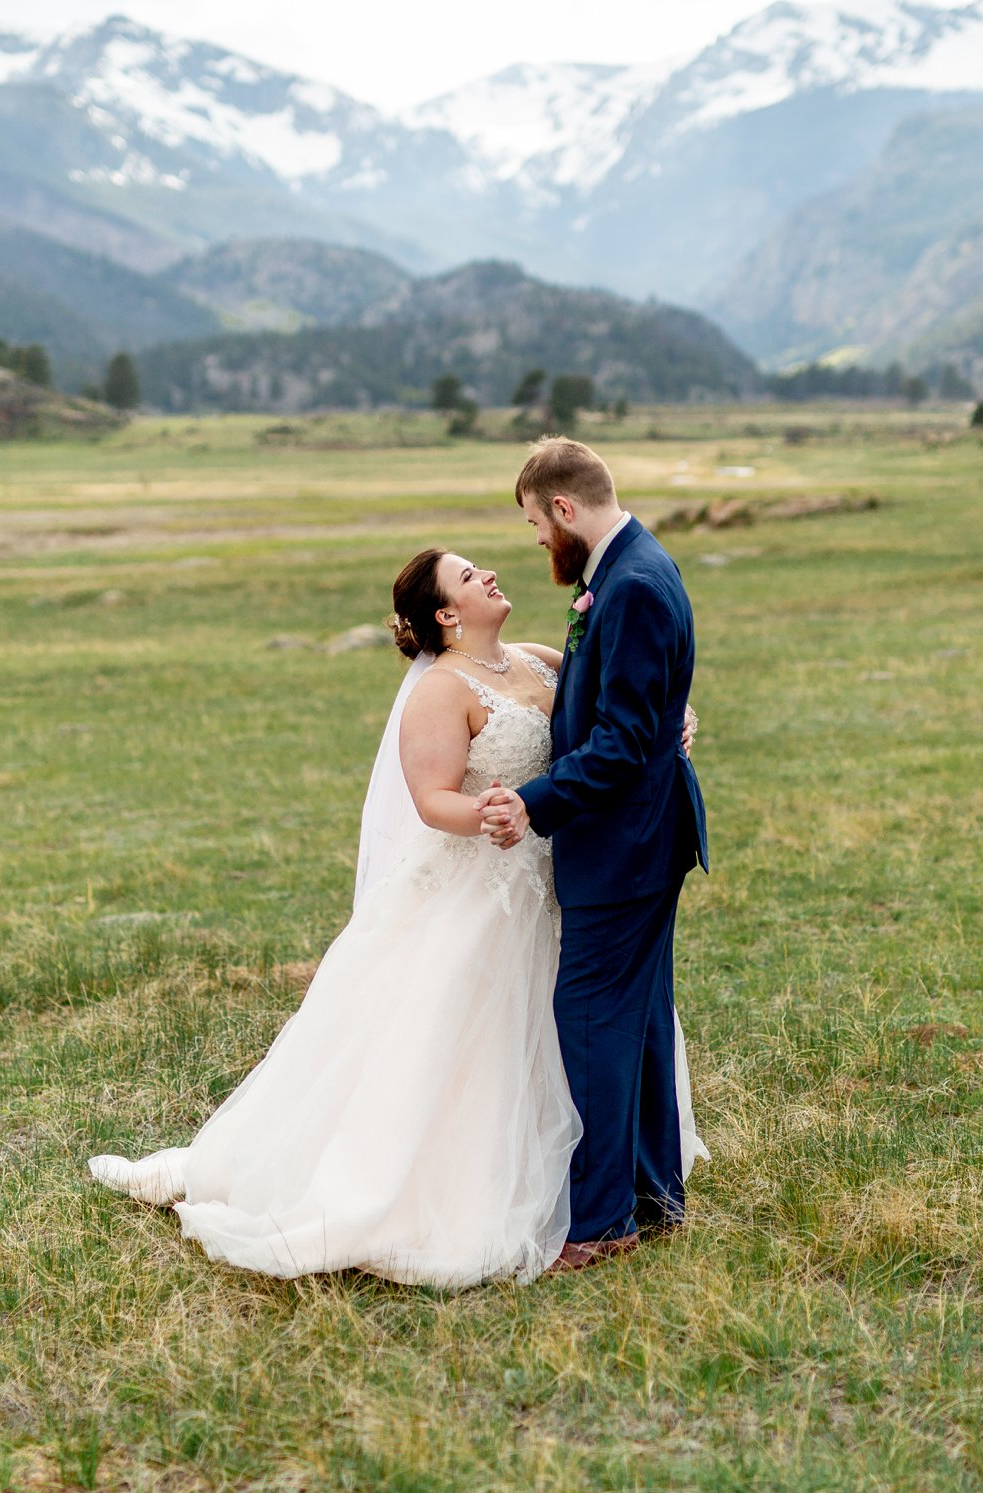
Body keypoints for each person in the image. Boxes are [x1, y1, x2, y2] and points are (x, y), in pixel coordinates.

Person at [87, 541, 704, 1288]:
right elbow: (432, 799)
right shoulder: (439, 691)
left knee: (575, 1023)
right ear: (446, 614)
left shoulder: (539, 657)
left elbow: (617, 714)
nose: (489, 574)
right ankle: (461, 1186)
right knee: (473, 1041)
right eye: (469, 576)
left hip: (560, 876)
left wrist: (673, 716)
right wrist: (497, 812)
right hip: (487, 884)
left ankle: (609, 1174)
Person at [479, 436, 710, 1274]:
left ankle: (605, 1218)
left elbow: (619, 744)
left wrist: (532, 801)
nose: (538, 539)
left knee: (590, 1022)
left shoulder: (634, 584)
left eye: (538, 523)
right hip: (640, 835)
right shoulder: (626, 570)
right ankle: (653, 1196)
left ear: (565, 508)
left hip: (626, 844)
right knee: (639, 1018)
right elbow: (635, 708)